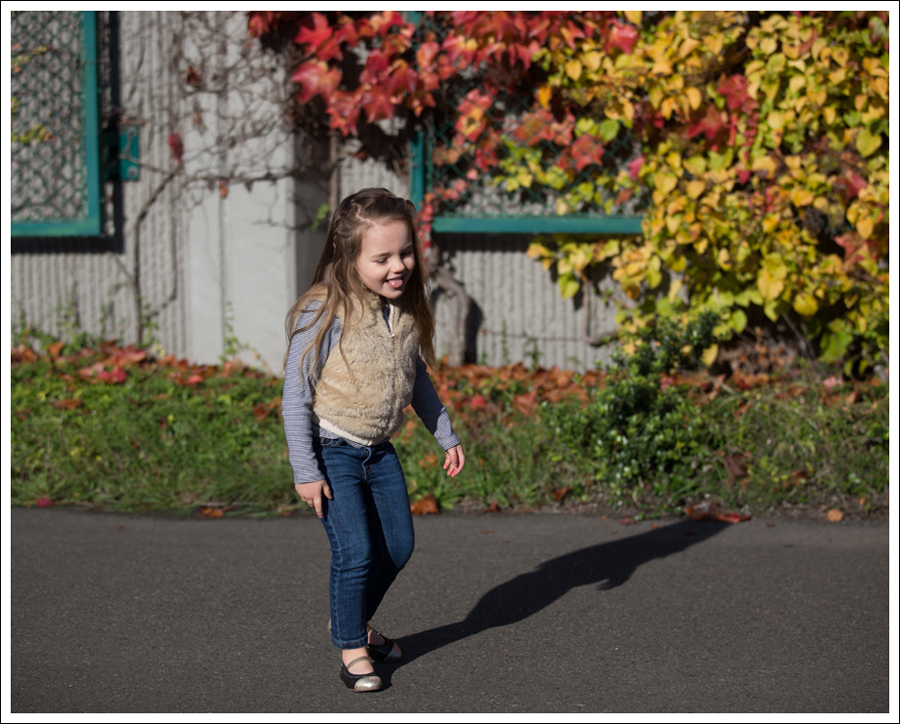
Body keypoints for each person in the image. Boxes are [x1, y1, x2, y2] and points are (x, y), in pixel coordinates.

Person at [281, 187, 465, 692]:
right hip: (332, 449)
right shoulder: (325, 312)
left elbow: (416, 377)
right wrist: (306, 470)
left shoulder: (401, 308)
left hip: (378, 450)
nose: (397, 266)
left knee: (399, 546)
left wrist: (444, 432)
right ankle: (352, 647)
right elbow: (294, 396)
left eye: (404, 252)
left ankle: (350, 620)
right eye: (381, 258)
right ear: (349, 257)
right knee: (357, 552)